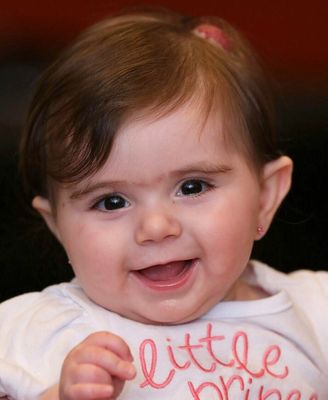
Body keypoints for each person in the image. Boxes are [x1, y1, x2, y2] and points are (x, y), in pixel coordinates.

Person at [0, 7, 327, 400]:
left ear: (265, 197)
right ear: (58, 227)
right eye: (112, 201)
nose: (156, 227)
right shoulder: (33, 333)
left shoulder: (315, 311)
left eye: (192, 187)